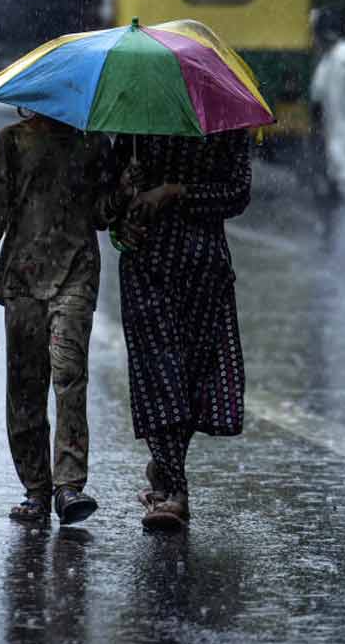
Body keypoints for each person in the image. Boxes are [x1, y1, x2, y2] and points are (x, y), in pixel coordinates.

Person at [0, 110, 137, 524]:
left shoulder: (94, 143)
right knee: (25, 385)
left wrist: (124, 190)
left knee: (68, 375)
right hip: (22, 281)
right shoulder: (13, 141)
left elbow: (101, 215)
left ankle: (68, 486)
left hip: (75, 277)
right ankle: (36, 489)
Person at [112, 130, 251, 531]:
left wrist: (175, 192)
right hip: (146, 265)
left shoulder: (225, 124)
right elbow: (105, 194)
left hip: (203, 267)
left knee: (189, 379)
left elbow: (237, 194)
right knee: (160, 375)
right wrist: (124, 207)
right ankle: (176, 491)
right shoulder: (136, 121)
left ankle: (165, 468)